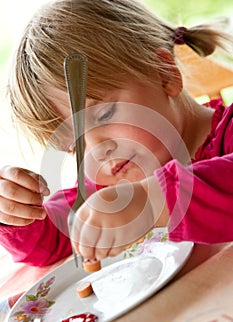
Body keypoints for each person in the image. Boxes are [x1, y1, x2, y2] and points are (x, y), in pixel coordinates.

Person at [0, 0, 232, 266]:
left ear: (164, 74)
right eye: (74, 146)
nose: (97, 149)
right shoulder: (114, 185)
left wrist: (155, 198)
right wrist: (14, 211)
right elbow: (50, 242)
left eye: (104, 116)